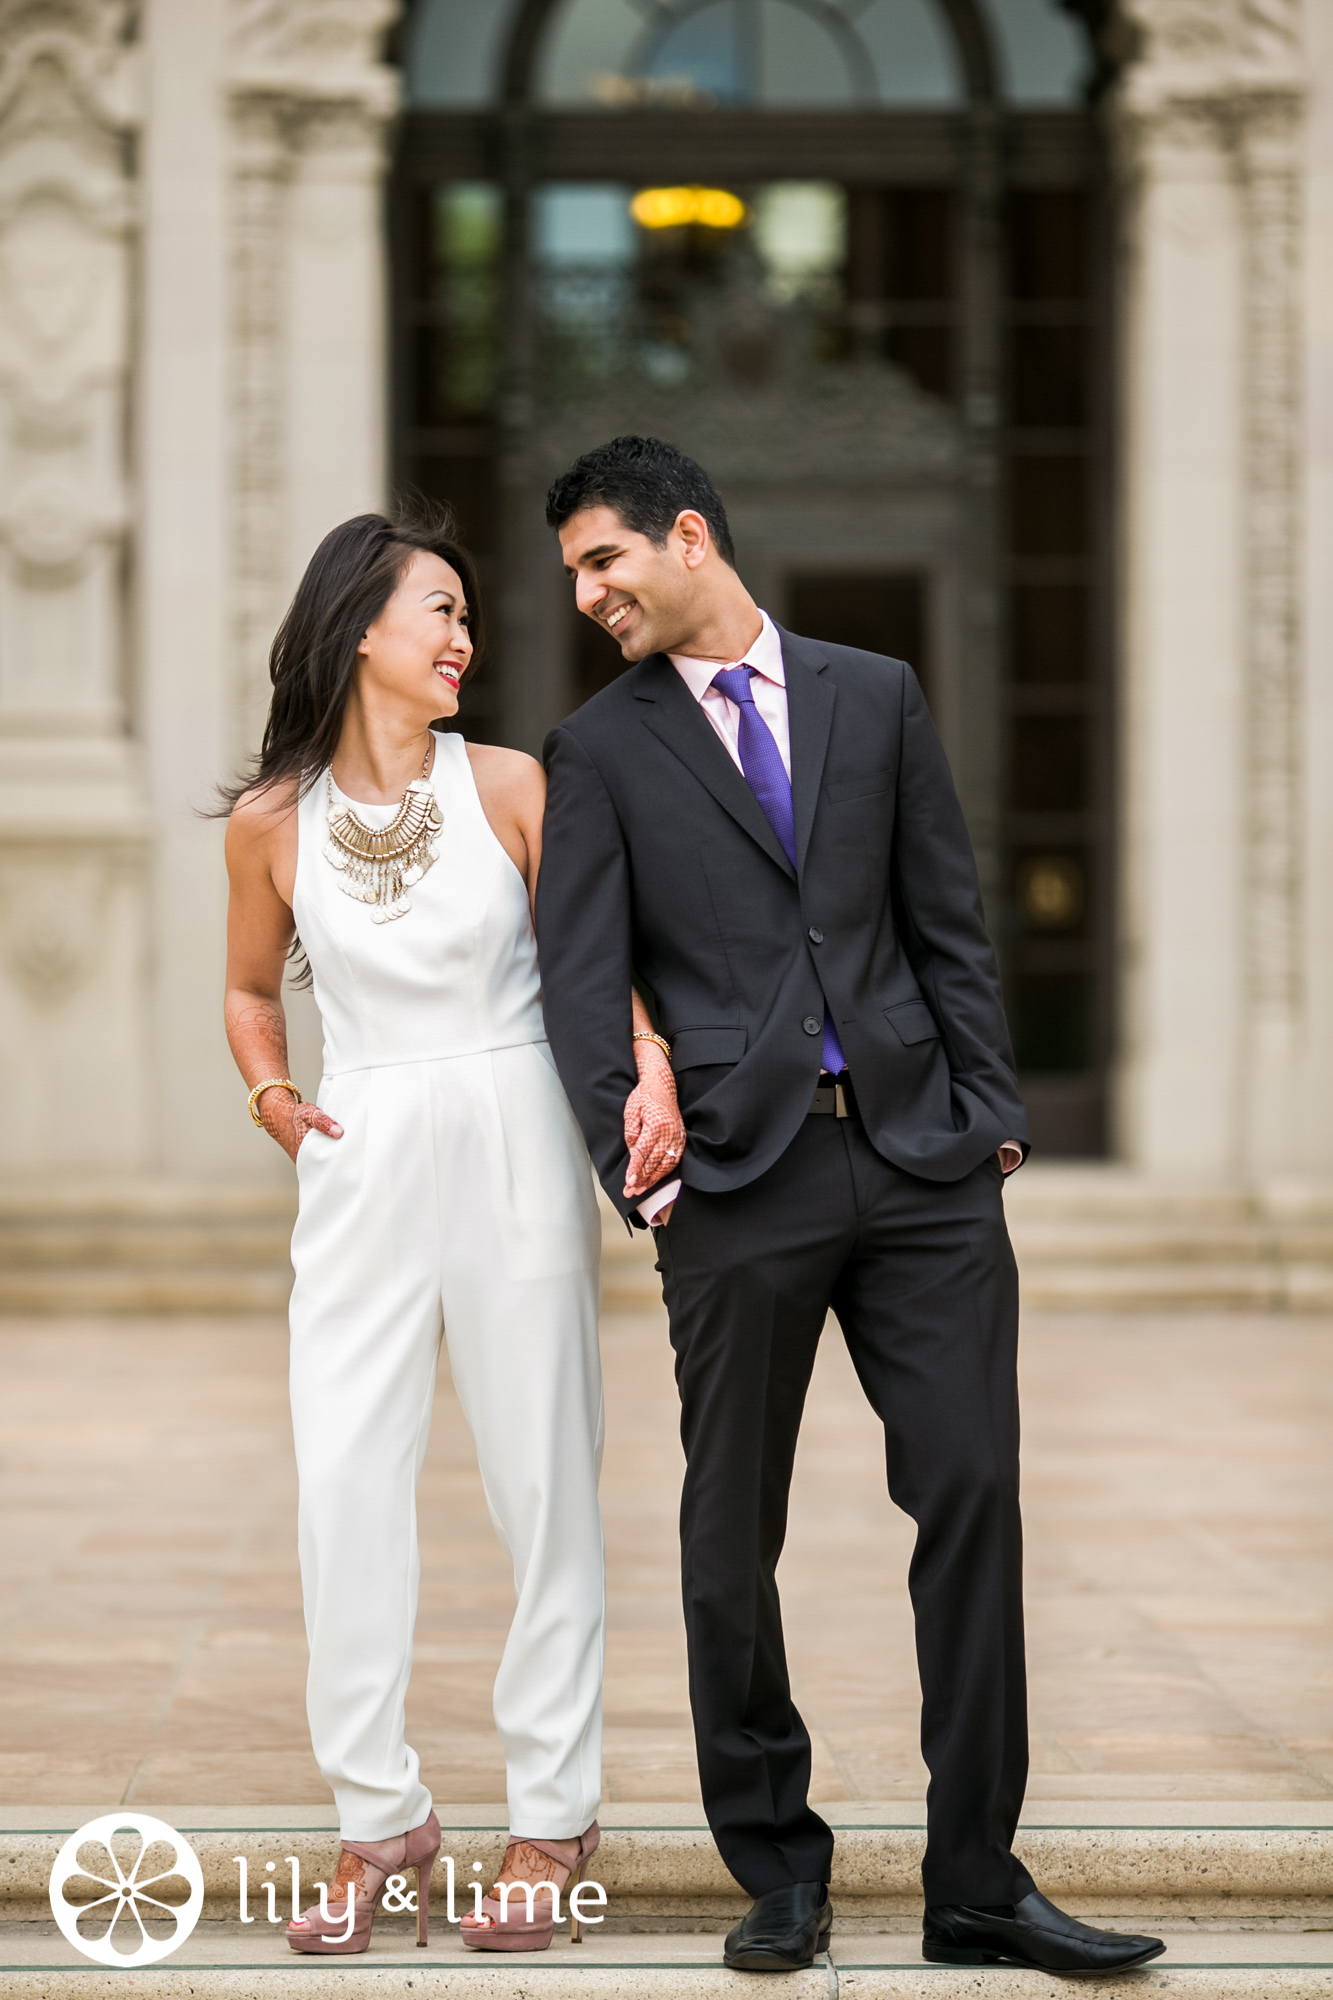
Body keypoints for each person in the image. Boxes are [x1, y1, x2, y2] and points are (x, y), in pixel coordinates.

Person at [534, 436, 1165, 1977]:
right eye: (571, 575)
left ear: (688, 534)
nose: (589, 593)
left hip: (920, 1167)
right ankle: (777, 1863)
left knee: (971, 1495)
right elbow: (576, 979)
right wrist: (645, 1165)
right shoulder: (598, 748)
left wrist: (992, 1127)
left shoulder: (871, 693)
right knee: (726, 1532)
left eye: (604, 559)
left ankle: (974, 1880)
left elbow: (945, 914)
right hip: (738, 1185)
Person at [222, 505, 684, 1955]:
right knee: (342, 1487)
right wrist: (274, 1095)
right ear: (361, 624)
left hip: (512, 1129)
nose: (462, 636)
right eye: (438, 609)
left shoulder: (511, 786)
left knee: (541, 1478)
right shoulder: (269, 822)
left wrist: (650, 1060)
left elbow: (593, 971)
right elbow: (248, 992)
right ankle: (381, 1822)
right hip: (358, 1149)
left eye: (465, 615)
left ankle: (553, 1817)